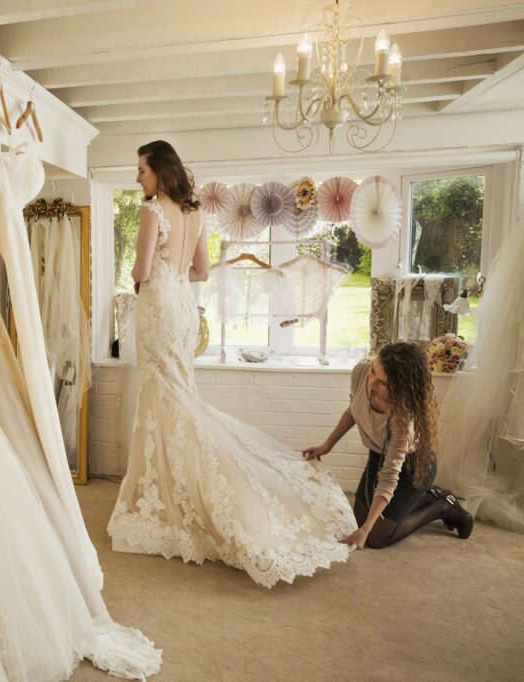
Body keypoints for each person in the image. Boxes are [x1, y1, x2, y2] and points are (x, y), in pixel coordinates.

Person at [108, 141, 357, 588]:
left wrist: (148, 275)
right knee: (178, 398)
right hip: (183, 308)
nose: (137, 177)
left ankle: (169, 497)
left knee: (163, 400)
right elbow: (201, 271)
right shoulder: (194, 212)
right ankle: (172, 492)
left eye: (141, 169)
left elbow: (141, 273)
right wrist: (173, 272)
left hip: (160, 307)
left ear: (159, 172)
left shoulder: (153, 210)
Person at [304, 342, 473, 549]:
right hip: (377, 456)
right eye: (374, 371)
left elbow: (389, 476)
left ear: (398, 386)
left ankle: (442, 506)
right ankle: (425, 497)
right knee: (357, 521)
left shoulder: (403, 417)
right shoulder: (361, 372)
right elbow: (352, 411)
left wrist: (365, 531)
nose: (372, 382)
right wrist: (327, 445)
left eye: (382, 382)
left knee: (376, 537)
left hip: (413, 468)